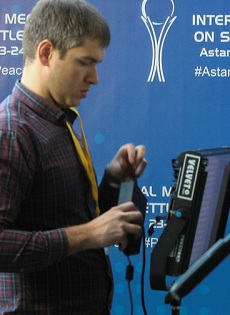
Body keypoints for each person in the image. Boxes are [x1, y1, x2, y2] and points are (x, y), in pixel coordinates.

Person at [0, 0, 147, 313]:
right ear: (45, 53)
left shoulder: (60, 119)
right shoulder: (12, 131)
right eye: (84, 62)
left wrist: (111, 177)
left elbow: (65, 213)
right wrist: (88, 235)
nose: (94, 78)